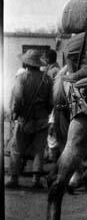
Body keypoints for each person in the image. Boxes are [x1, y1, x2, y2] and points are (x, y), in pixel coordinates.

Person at [6, 49, 54, 189]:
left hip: (24, 119)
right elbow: (51, 102)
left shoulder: (21, 78)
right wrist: (45, 112)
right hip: (42, 119)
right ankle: (36, 180)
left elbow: (19, 97)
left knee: (16, 148)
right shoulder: (47, 79)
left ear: (26, 63)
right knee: (39, 150)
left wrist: (16, 112)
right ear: (38, 64)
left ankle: (14, 179)